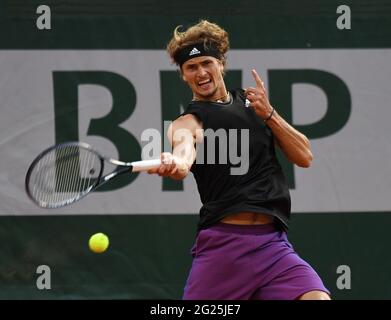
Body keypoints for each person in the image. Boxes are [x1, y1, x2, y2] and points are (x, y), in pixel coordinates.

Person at [148, 20, 330, 300]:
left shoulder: (252, 103)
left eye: (206, 63)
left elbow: (304, 156)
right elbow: (184, 155)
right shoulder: (188, 121)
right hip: (224, 248)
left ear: (221, 64)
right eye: (191, 68)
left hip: (273, 245)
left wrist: (269, 114)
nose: (201, 72)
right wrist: (177, 162)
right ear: (184, 76)